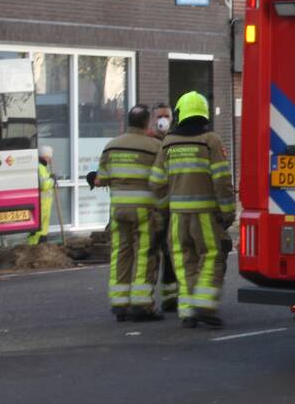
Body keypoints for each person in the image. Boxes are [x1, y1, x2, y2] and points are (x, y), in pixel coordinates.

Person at [149, 92, 235, 329]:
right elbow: (222, 180)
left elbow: (156, 182)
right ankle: (204, 305)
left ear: (179, 113)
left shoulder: (168, 143)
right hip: (205, 215)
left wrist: (166, 205)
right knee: (211, 255)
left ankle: (187, 311)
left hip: (177, 218)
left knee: (184, 260)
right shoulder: (211, 140)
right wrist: (228, 211)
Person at [96, 105, 165, 322]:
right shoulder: (155, 147)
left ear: (129, 121)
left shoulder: (111, 146)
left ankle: (119, 303)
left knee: (120, 253)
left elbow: (102, 179)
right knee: (145, 253)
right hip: (145, 210)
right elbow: (162, 179)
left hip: (118, 210)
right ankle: (142, 304)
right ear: (147, 123)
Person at [147, 102, 179, 312]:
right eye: (159, 116)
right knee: (149, 253)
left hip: (171, 207)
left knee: (170, 254)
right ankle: (144, 299)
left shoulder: (176, 141)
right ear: (152, 119)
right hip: (152, 209)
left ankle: (170, 297)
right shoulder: (148, 142)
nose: (163, 120)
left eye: (166, 116)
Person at [28, 146, 55, 245]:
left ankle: (42, 245)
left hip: (45, 203)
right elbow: (44, 185)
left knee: (43, 226)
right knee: (37, 227)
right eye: (50, 157)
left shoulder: (43, 167)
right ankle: (32, 247)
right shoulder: (40, 167)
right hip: (41, 203)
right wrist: (52, 181)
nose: (51, 159)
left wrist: (51, 178)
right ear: (46, 156)